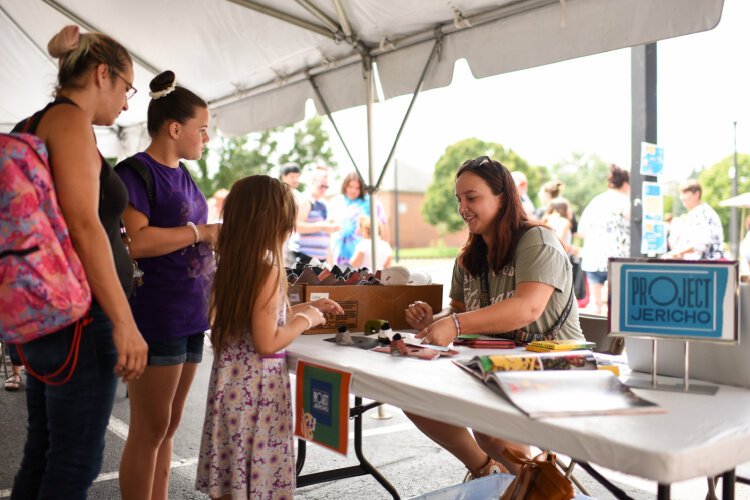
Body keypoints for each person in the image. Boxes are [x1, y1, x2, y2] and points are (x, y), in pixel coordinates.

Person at [10, 25, 147, 499]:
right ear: (103, 73)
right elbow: (85, 227)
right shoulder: (69, 122)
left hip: (49, 314)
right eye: (127, 87)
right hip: (81, 318)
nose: (128, 103)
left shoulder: (36, 121)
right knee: (74, 463)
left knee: (47, 450)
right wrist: (124, 321)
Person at [403, 156, 584, 478]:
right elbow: (459, 310)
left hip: (560, 367)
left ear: (503, 197)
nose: (463, 208)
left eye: (472, 197)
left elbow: (527, 308)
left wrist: (454, 324)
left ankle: (528, 484)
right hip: (493, 366)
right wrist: (434, 320)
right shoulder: (468, 256)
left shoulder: (537, 240)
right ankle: (489, 471)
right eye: (459, 199)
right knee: (410, 392)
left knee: (488, 422)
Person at [195, 175, 343, 499]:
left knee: (234, 484)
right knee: (258, 486)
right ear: (275, 222)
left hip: (230, 390)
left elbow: (257, 320)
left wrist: (306, 306)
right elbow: (267, 342)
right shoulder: (268, 268)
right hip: (256, 393)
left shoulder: (235, 263)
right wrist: (306, 319)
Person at [116, 70, 219, 500]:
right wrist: (203, 232)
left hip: (191, 312)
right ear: (174, 128)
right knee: (150, 428)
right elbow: (136, 243)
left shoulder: (184, 174)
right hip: (156, 313)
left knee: (170, 425)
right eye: (203, 130)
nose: (206, 140)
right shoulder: (134, 172)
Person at [577, 164, 630, 315]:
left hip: (594, 257)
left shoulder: (596, 201)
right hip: (618, 259)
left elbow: (581, 231)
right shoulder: (626, 202)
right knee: (616, 307)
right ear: (625, 184)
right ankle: (616, 339)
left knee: (595, 304)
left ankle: (595, 337)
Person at [330, 171, 388, 266]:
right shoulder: (336, 201)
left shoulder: (371, 202)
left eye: (357, 188)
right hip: (339, 258)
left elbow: (383, 226)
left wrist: (383, 251)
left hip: (362, 259)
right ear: (345, 186)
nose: (353, 191)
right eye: (350, 186)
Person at [663, 179, 725, 260]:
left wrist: (675, 253)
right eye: (681, 194)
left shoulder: (701, 213)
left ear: (696, 194)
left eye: (685, 193)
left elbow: (700, 244)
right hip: (707, 265)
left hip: (706, 266)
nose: (681, 197)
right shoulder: (701, 211)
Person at [288, 167, 339, 263]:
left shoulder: (322, 203)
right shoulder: (305, 200)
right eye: (321, 186)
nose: (324, 189)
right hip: (304, 257)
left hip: (318, 259)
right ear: (313, 183)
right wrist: (322, 226)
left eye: (326, 186)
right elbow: (296, 226)